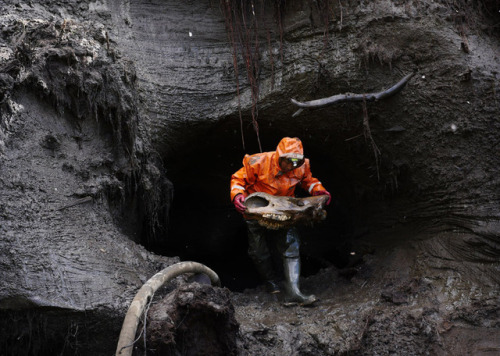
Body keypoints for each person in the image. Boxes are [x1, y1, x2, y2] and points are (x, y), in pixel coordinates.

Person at [230, 137, 331, 305]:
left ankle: (293, 291)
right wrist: (238, 195)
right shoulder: (258, 162)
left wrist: (318, 191)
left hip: (285, 211)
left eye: (296, 162)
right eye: (289, 161)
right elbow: (238, 179)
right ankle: (270, 282)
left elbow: (308, 181)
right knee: (258, 250)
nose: (292, 166)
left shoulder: (301, 166)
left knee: (291, 245)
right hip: (258, 212)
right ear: (280, 157)